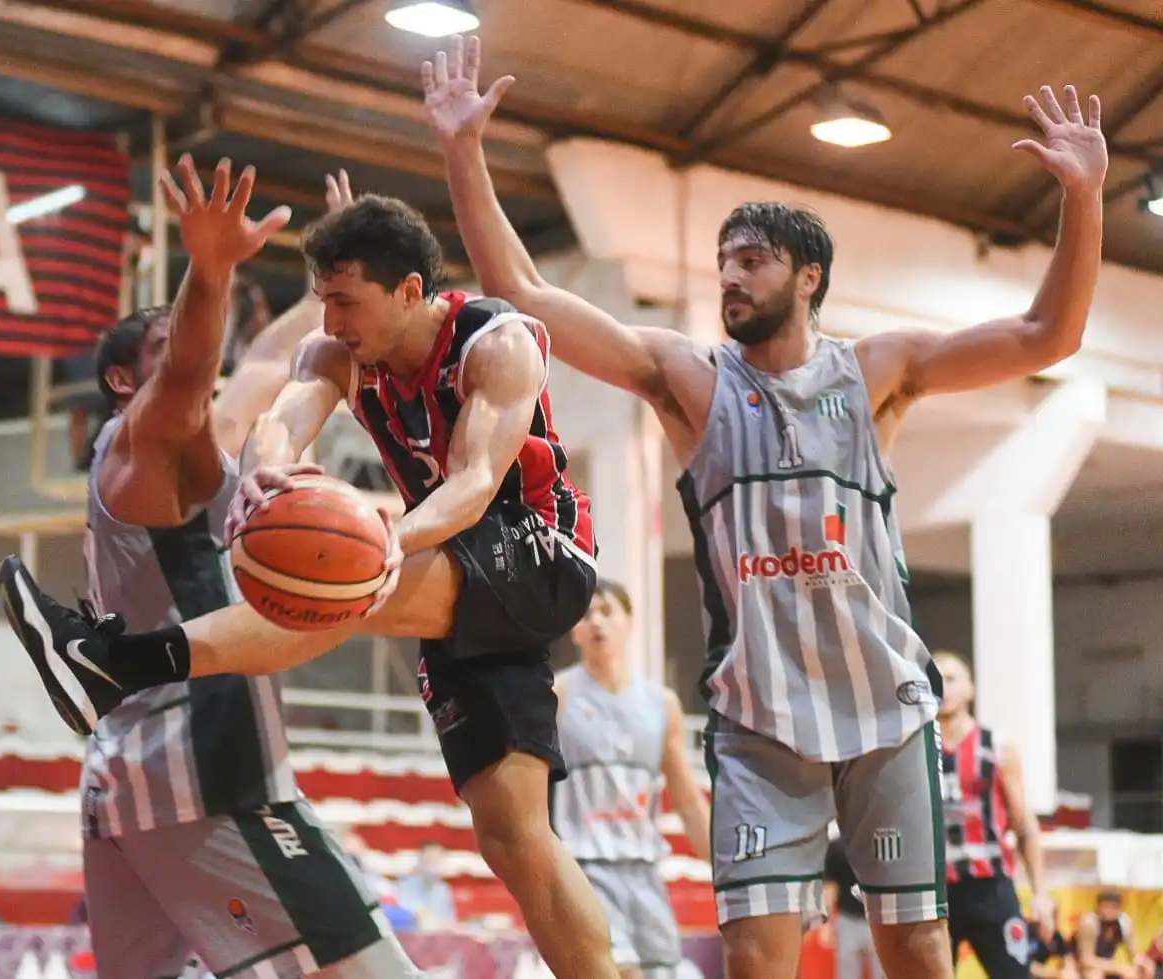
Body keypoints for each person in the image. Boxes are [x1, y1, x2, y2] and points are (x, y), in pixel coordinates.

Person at [421, 33, 1107, 979]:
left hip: (885, 712)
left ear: (808, 277)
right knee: (754, 957)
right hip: (760, 720)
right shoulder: (689, 381)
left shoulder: (880, 371)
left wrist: (1082, 197)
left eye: (751, 259)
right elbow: (521, 291)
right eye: (723, 260)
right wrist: (464, 150)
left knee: (916, 950)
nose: (729, 277)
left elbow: (1047, 332)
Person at [0, 177, 621, 979]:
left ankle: (118, 663)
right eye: (323, 299)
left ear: (409, 290)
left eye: (348, 302)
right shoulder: (336, 349)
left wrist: (385, 537)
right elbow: (285, 413)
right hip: (450, 576)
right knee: (512, 835)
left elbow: (471, 485)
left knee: (339, 582)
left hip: (533, 551)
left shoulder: (496, 342)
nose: (332, 321)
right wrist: (268, 474)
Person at [4, 154, 421, 979]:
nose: (201, 350)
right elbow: (195, 365)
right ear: (124, 380)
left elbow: (262, 363)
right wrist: (212, 264)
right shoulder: (136, 446)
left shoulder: (203, 444)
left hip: (129, 778)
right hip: (204, 776)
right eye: (166, 344)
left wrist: (321, 286)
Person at [551, 578, 711, 979]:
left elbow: (689, 801)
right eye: (587, 615)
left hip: (644, 868)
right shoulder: (559, 695)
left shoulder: (661, 704)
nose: (597, 622)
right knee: (619, 972)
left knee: (662, 971)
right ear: (575, 631)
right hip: (585, 865)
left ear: (629, 623)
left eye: (607, 611)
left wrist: (725, 870)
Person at [934, 651, 1053, 979]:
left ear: (970, 689)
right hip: (936, 891)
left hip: (990, 886)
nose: (942, 687)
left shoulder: (997, 747)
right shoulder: (917, 751)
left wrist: (1041, 893)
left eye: (952, 679)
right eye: (935, 678)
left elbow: (1024, 823)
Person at [823, 837, 885, 979]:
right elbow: (831, 886)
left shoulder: (878, 844)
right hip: (848, 920)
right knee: (847, 974)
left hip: (878, 920)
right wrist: (829, 922)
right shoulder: (837, 848)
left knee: (883, 973)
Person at [1074, 892, 1152, 979]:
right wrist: (1117, 968)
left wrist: (1143, 963)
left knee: (1137, 972)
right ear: (1098, 907)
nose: (1109, 911)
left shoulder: (1125, 923)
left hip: (1108, 963)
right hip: (1082, 966)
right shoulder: (1090, 922)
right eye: (1106, 907)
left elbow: (1134, 955)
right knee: (1095, 975)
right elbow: (1086, 960)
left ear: (1120, 909)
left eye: (1113, 907)